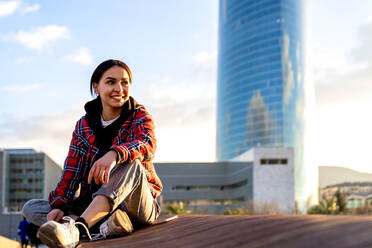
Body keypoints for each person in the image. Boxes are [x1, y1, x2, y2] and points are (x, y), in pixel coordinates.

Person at [22, 59, 163, 248]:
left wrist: (115, 154)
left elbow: (147, 143)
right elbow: (71, 174)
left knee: (132, 164)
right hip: (91, 205)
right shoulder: (83, 126)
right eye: (111, 82)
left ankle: (76, 229)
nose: (119, 89)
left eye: (125, 82)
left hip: (135, 206)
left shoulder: (139, 117)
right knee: (31, 208)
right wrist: (59, 205)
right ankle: (106, 227)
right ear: (96, 87)